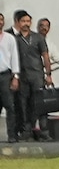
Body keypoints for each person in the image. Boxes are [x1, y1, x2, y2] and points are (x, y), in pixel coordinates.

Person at [10, 10, 51, 142]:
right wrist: (15, 76)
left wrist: (48, 74)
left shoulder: (38, 38)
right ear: (18, 23)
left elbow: (45, 56)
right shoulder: (15, 39)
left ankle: (44, 131)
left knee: (40, 104)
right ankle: (27, 131)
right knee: (24, 105)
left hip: (37, 75)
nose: (26, 24)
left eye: (28, 21)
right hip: (22, 77)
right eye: (23, 21)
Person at [0, 13, 21, 144]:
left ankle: (12, 135)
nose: (0, 22)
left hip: (5, 75)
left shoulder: (9, 38)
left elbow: (14, 57)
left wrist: (15, 76)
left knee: (10, 106)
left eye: (1, 20)